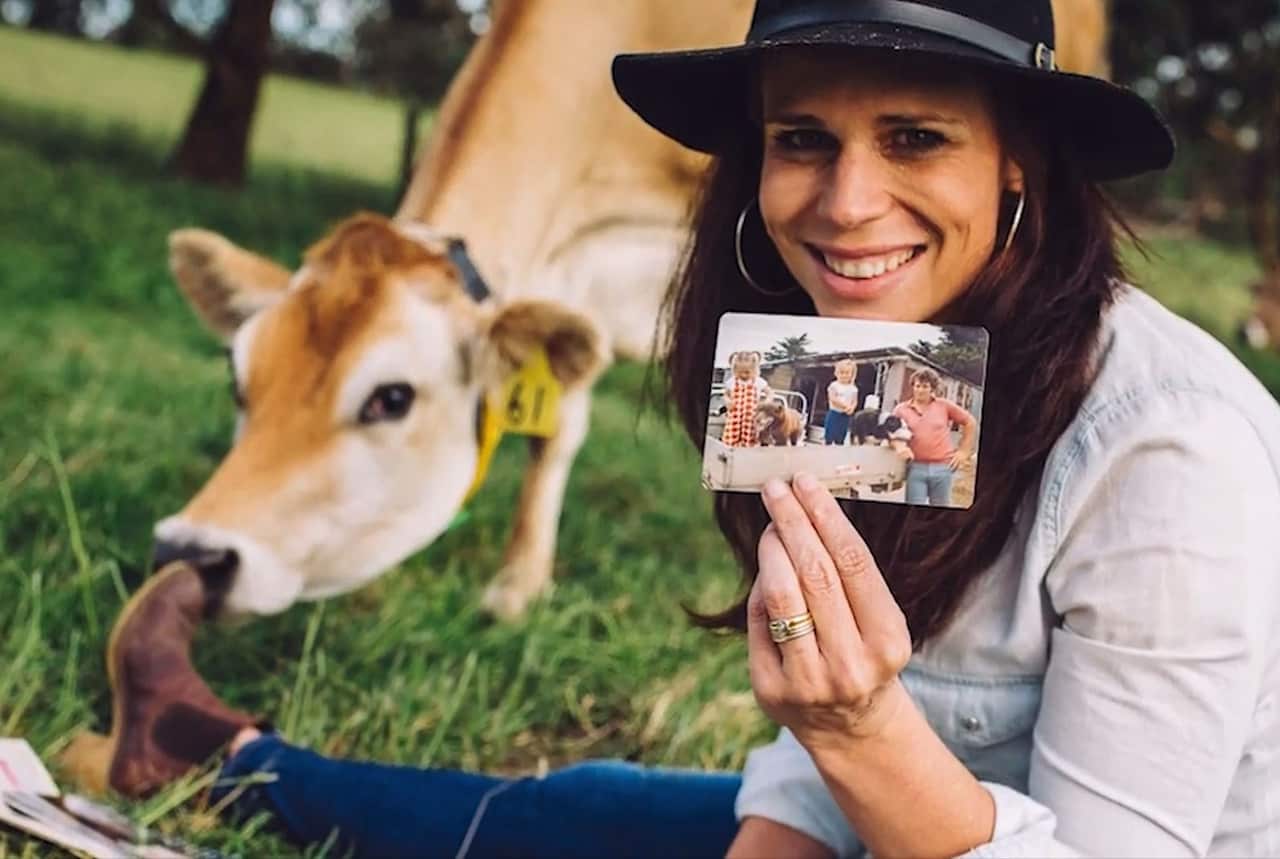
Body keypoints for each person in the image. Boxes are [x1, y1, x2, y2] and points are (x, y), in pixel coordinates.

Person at [94, 2, 1280, 857]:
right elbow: (809, 775)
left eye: (914, 136)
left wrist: (858, 731)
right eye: (801, 138)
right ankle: (220, 752)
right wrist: (811, 778)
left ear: (1018, 158)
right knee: (584, 806)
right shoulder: (856, 364)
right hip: (890, 826)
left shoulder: (1166, 445)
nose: (845, 203)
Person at [891, 368, 977, 505]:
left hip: (943, 467)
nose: (920, 390)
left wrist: (964, 451)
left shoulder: (944, 405)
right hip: (915, 467)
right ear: (912, 386)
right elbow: (891, 433)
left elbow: (970, 422)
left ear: (932, 388)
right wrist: (899, 446)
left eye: (925, 386)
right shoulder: (901, 409)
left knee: (940, 513)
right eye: (917, 386)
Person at [822, 359, 859, 445]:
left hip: (845, 416)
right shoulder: (834, 385)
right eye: (842, 373)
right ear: (836, 373)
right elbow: (833, 399)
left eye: (847, 373)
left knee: (841, 437)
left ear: (852, 374)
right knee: (829, 436)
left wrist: (852, 408)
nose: (844, 375)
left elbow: (854, 401)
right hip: (834, 414)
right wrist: (845, 406)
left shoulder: (853, 389)